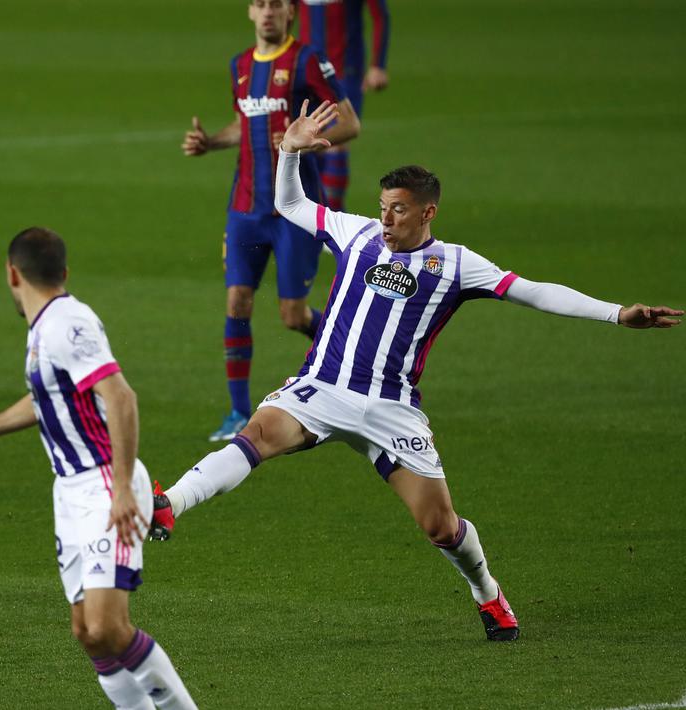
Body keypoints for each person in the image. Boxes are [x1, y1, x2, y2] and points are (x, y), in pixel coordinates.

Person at [152, 101, 682, 642]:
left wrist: (617, 314)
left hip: (392, 409)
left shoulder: (456, 264)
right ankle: (170, 504)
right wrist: (289, 152)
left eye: (399, 210)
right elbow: (290, 204)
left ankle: (487, 592)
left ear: (428, 213)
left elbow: (534, 292)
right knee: (257, 435)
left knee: (440, 527)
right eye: (383, 207)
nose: (386, 219)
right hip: (322, 388)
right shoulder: (355, 233)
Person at [0, 228, 197, 709]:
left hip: (103, 482)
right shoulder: (45, 327)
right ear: (64, 272)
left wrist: (121, 489)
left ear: (12, 274)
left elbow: (121, 397)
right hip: (71, 490)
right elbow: (47, 397)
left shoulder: (66, 323)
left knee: (108, 626)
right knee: (88, 633)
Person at [182, 0, 361, 442]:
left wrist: (309, 141)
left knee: (292, 315)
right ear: (250, 11)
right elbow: (243, 124)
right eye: (260, 4)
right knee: (237, 302)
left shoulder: (307, 60)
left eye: (276, 5)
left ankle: (355, 364)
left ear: (289, 13)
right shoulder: (240, 65)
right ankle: (237, 413)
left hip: (295, 210)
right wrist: (210, 142)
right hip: (245, 208)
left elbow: (350, 123)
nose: (267, 12)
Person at [297, 0, 391, 211]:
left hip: (345, 70)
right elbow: (284, 11)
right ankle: (315, 213)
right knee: (309, 140)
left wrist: (378, 65)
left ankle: (334, 216)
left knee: (337, 139)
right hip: (306, 70)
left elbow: (380, 15)